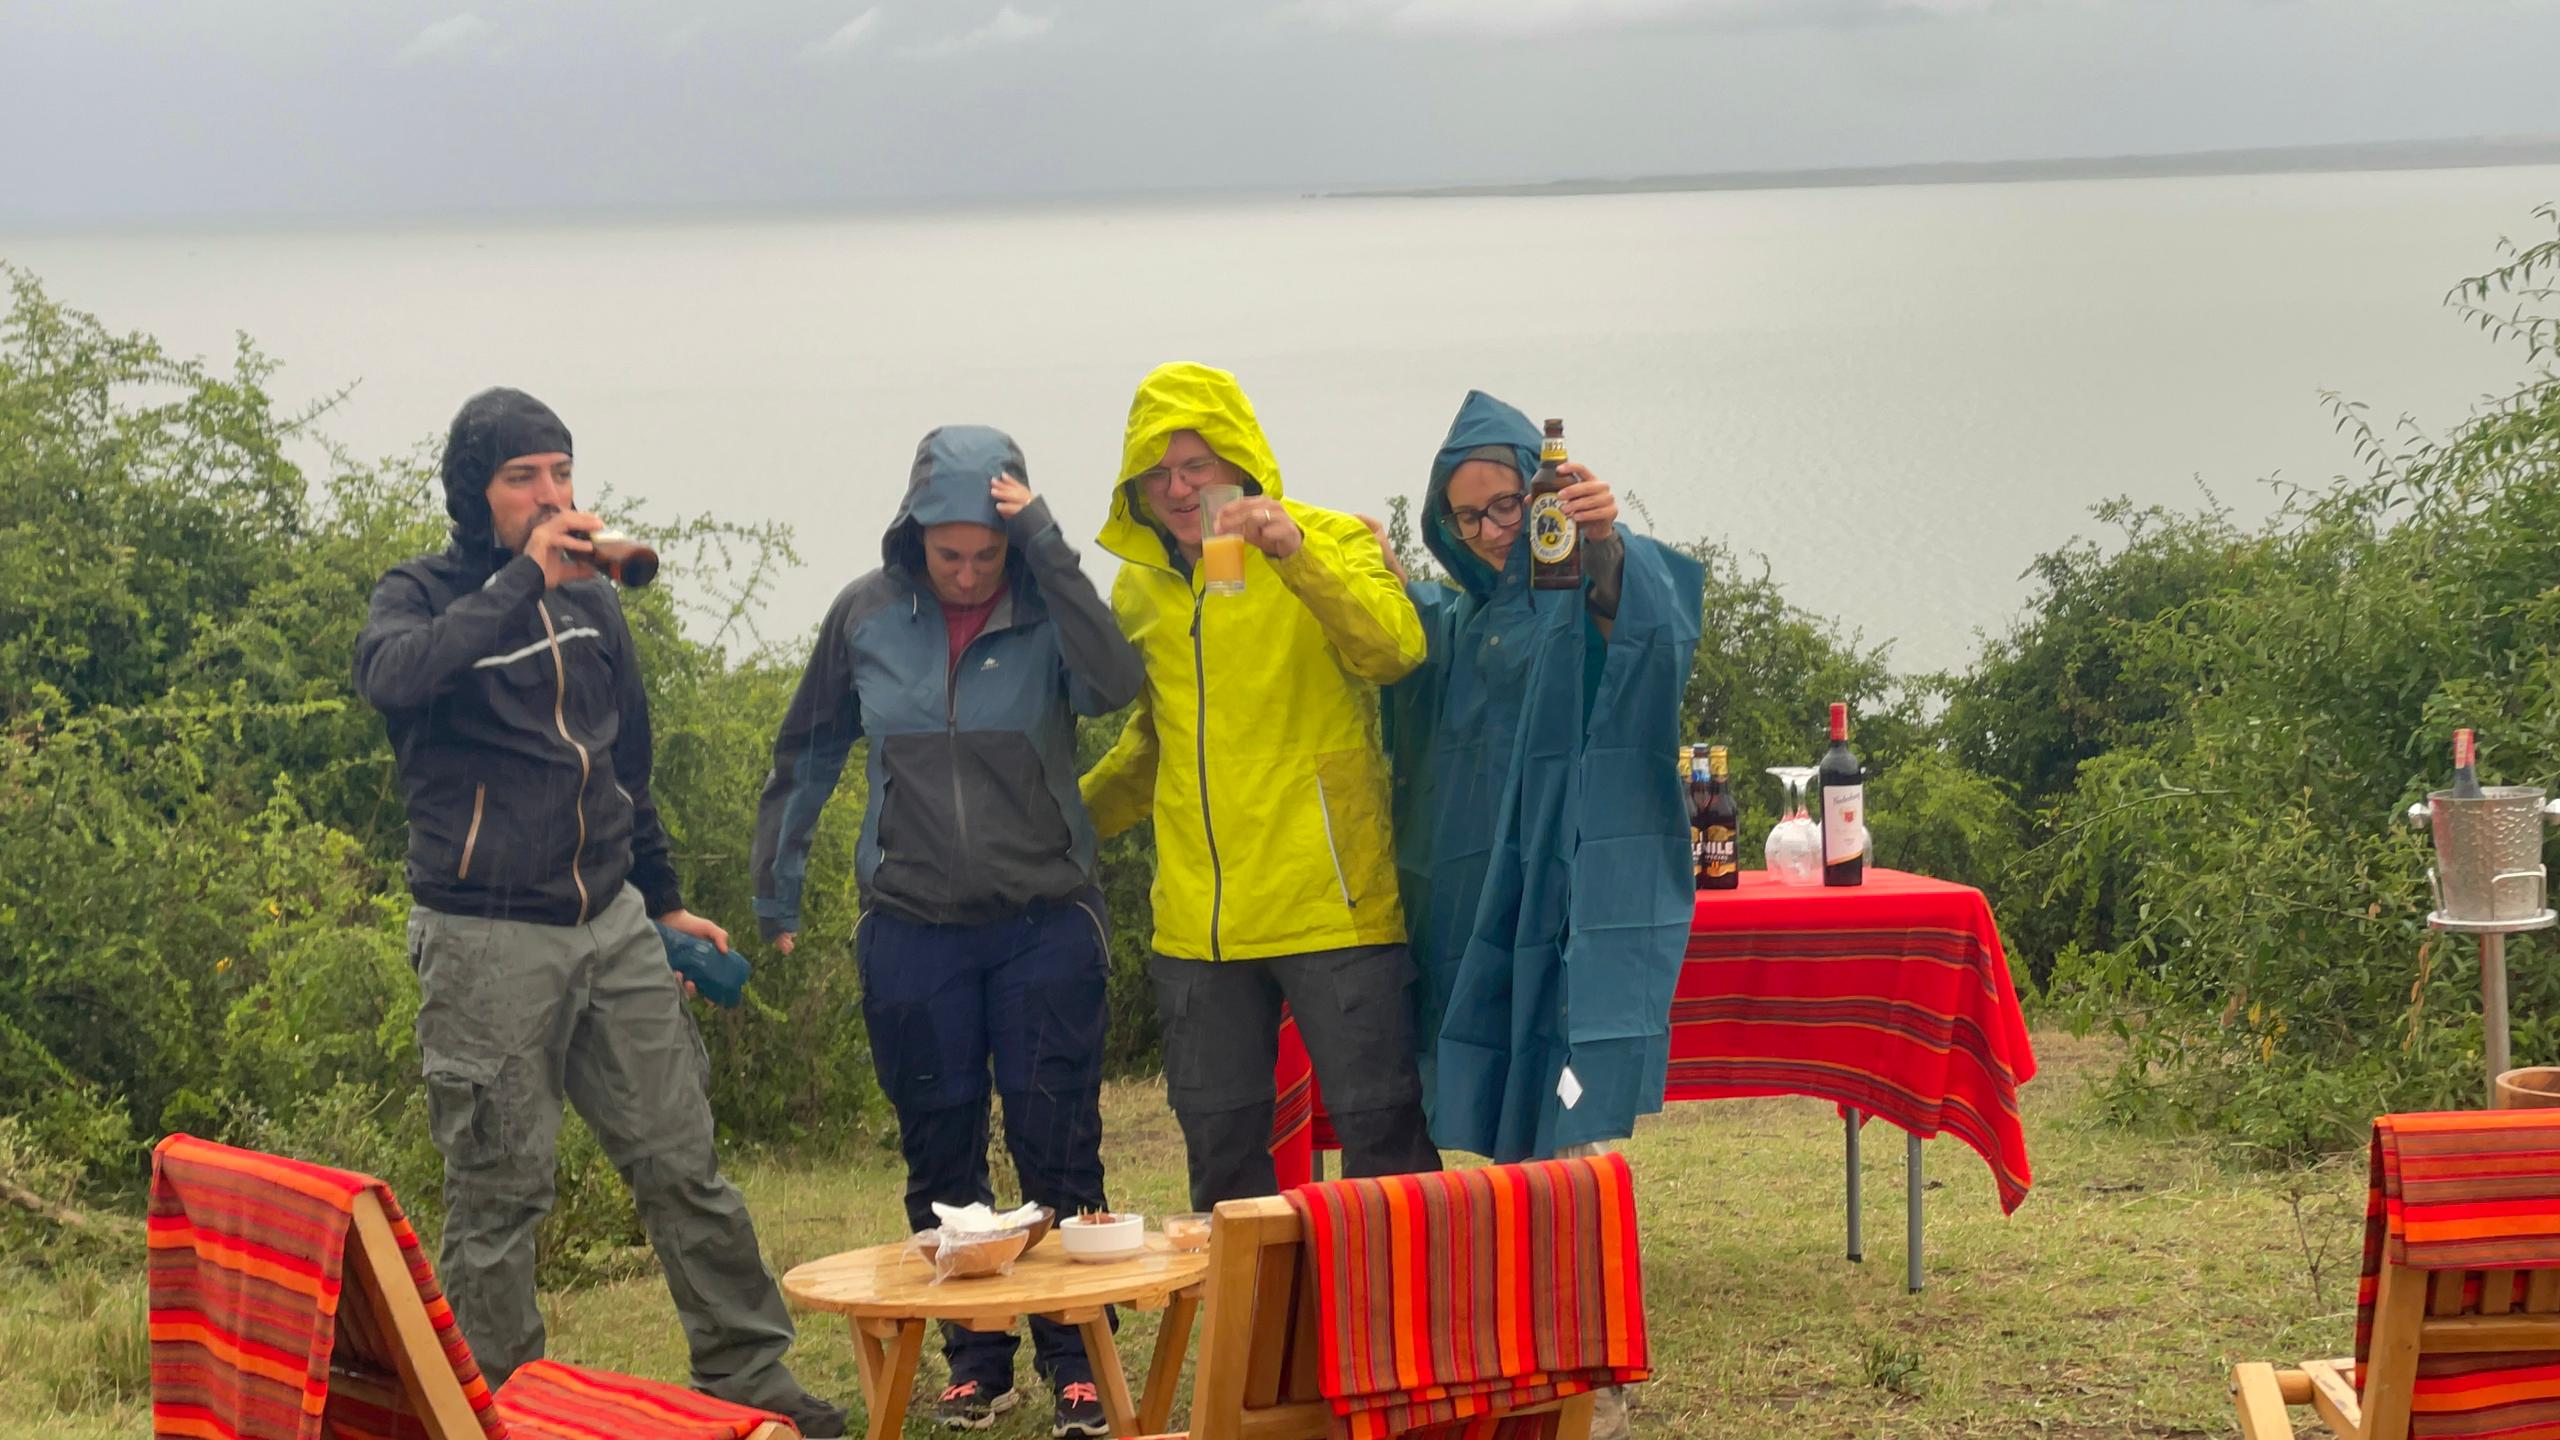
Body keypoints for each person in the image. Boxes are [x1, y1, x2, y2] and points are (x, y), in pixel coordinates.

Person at [353, 388, 845, 1437]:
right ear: (473, 491)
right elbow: (393, 680)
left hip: (609, 920)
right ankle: (493, 1406)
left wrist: (663, 903)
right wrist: (523, 580)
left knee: (685, 1165)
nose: (550, 495)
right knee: (499, 1193)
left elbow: (626, 769)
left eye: (560, 472)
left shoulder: (596, 603)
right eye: (522, 477)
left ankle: (750, 1380)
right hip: (485, 936)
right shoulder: (425, 592)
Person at [750, 426, 1143, 1437]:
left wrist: (1049, 545)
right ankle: (977, 1360)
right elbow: (809, 749)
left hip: (1043, 921)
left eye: (987, 554)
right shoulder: (866, 614)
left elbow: (1114, 687)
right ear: (912, 536)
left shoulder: (1049, 607)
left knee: (1061, 1152)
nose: (968, 574)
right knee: (942, 1159)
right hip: (912, 926)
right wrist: (777, 894)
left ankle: (1077, 1362)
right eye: (948, 554)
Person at [1080, 361, 1441, 1210]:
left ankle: (1395, 1341)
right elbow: (1154, 745)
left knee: (1383, 1148)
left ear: (1239, 461)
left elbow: (1396, 651)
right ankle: (1263, 1343)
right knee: (1223, 1170)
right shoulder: (1140, 588)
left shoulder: (1330, 537)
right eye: (1157, 472)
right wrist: (1051, 828)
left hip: (1332, 905)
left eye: (1196, 466)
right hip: (1200, 930)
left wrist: (1294, 553)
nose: (1177, 488)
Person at [1371, 390, 1705, 1164]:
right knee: (1490, 1098)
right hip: (1470, 900)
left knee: (1561, 1101)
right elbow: (1407, 638)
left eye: (1507, 504)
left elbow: (1635, 623)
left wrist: (1604, 544)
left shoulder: (1572, 594)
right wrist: (1377, 578)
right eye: (1466, 517)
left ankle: (1571, 1261)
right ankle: (1522, 1259)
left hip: (1556, 891)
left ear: (1537, 487)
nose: (1492, 532)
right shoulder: (1461, 620)